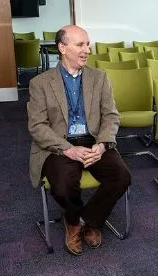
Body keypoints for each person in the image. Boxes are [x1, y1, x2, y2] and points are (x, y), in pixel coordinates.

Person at [27, 25, 132, 256]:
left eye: (88, 44)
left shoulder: (99, 77)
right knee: (64, 185)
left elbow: (111, 116)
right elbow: (37, 126)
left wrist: (102, 144)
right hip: (58, 144)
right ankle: (72, 221)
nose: (87, 49)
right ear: (62, 48)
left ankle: (88, 221)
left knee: (122, 176)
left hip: (93, 139)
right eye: (80, 45)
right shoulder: (40, 83)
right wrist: (68, 150)